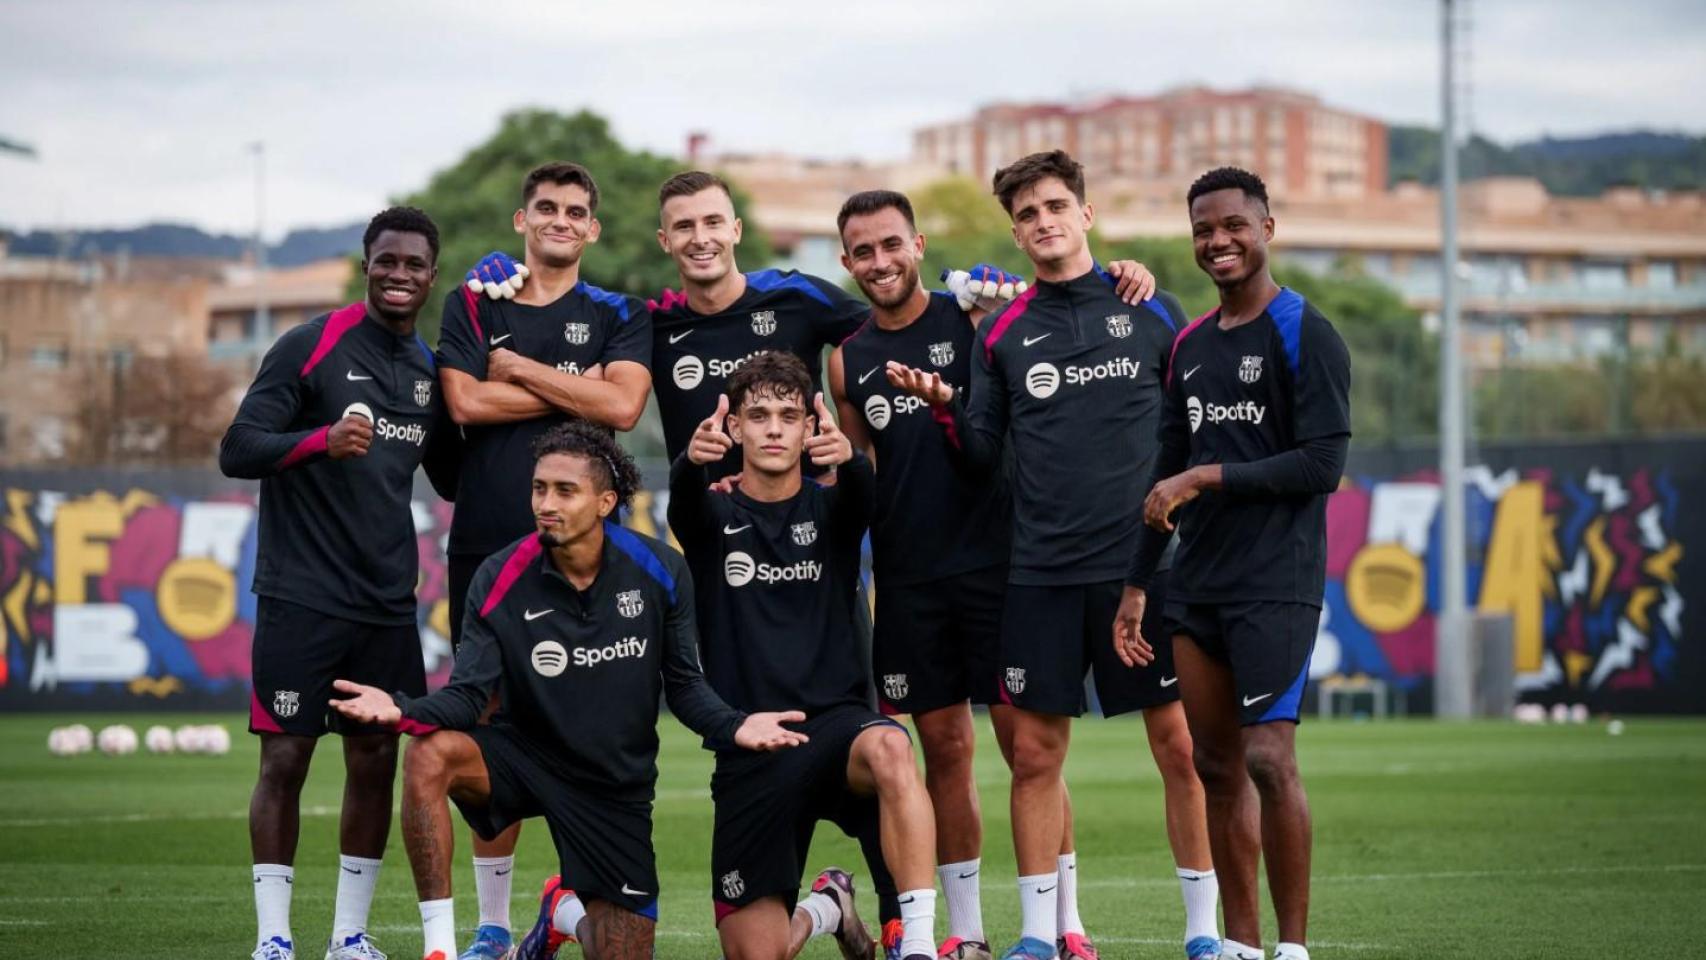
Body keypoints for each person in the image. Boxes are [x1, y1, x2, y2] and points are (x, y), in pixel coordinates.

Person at [888, 150, 1216, 960]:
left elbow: (1191, 424)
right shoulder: (1001, 332)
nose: (1044, 221)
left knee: (1182, 749)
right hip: (1040, 572)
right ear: (1015, 232)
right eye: (1028, 213)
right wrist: (944, 406)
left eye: (1056, 206)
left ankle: (1204, 933)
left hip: (1145, 570)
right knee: (1034, 756)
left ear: (1086, 214)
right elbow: (982, 454)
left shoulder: (1152, 306)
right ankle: (1040, 936)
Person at [329, 422, 807, 960]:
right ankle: (438, 948)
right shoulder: (498, 575)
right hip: (524, 757)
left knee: (620, 952)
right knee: (428, 754)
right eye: (539, 488)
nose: (546, 504)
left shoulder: (660, 569)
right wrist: (402, 710)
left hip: (612, 785)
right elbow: (467, 696)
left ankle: (560, 913)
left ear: (605, 502)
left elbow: (684, 686)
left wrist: (736, 724)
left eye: (565, 491)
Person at [829, 189, 1156, 960]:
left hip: (1002, 566)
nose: (880, 261)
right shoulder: (846, 360)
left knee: (1030, 753)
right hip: (909, 579)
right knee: (945, 753)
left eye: (891, 244)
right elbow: (859, 471)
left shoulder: (978, 315)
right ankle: (967, 933)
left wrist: (1124, 272)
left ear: (918, 245)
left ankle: (1065, 925)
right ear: (846, 263)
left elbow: (1060, 297)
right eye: (863, 251)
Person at [1118, 167, 1352, 960]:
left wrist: (1208, 477)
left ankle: (1292, 948)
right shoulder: (1188, 345)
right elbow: (1166, 471)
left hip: (1277, 582)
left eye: (1233, 226)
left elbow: (1322, 465)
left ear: (1266, 230)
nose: (1218, 241)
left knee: (1268, 759)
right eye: (1203, 230)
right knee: (1215, 765)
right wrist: (1137, 583)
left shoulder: (1305, 331)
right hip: (1196, 587)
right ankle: (1242, 945)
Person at [220, 206, 459, 960]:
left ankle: (348, 937)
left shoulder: (429, 371)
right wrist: (321, 440)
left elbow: (454, 476)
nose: (399, 274)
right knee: (285, 760)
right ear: (367, 266)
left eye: (414, 264)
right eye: (387, 260)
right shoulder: (311, 344)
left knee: (375, 761)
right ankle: (273, 940)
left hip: (386, 603)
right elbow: (238, 448)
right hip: (300, 594)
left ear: (431, 275)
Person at [435, 161, 653, 960]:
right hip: (487, 544)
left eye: (575, 211)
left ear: (593, 228)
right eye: (546, 208)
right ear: (521, 221)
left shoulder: (619, 311)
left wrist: (520, 370)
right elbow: (464, 402)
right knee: (486, 724)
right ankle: (493, 927)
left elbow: (622, 405)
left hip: (587, 552)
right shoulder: (472, 301)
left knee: (590, 722)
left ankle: (578, 898)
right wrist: (575, 386)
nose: (561, 219)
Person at [668, 352, 940, 960]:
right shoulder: (713, 516)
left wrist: (853, 460)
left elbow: (861, 498)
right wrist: (690, 462)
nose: (773, 429)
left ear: (809, 428)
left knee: (892, 745)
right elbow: (683, 505)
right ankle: (828, 908)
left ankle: (920, 943)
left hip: (839, 731)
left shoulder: (833, 511)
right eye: (758, 415)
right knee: (755, 954)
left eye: (788, 417)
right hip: (751, 742)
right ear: (734, 427)